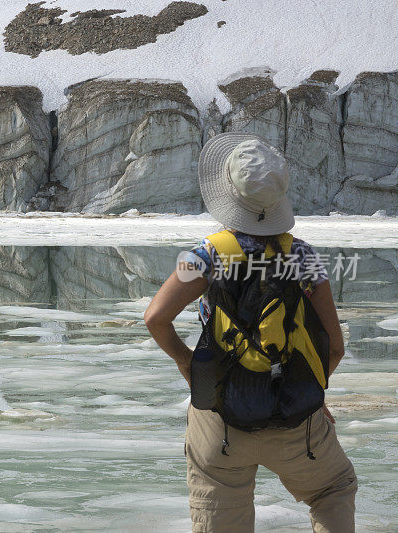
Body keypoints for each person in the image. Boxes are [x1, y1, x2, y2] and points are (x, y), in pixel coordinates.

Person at [143, 132, 357, 532]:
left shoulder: (206, 254)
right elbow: (335, 346)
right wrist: (308, 393)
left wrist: (189, 365)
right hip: (297, 422)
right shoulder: (303, 256)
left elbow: (156, 317)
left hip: (220, 419)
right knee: (334, 489)